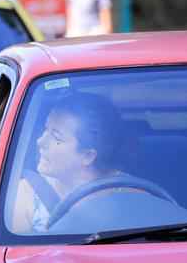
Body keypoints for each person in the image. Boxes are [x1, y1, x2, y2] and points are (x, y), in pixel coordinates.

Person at [12, 92, 126, 233]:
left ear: (87, 156)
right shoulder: (24, 195)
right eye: (46, 128)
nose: (41, 141)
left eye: (56, 137)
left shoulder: (132, 197)